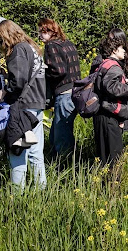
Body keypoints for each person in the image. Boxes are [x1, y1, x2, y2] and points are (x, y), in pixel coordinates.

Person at [0, 19, 47, 191]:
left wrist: (4, 91)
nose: (0, 43)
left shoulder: (18, 50)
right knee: (36, 152)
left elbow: (19, 82)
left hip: (23, 105)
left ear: (6, 35)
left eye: (0, 39)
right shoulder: (31, 47)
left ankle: (17, 194)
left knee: (17, 151)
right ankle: (41, 191)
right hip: (37, 103)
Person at [93, 35, 128, 166]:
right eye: (122, 48)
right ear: (114, 50)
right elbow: (112, 89)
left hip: (102, 113)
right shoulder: (114, 66)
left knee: (104, 155)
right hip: (109, 115)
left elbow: (107, 84)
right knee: (114, 157)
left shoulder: (104, 63)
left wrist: (126, 81)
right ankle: (113, 178)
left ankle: (103, 177)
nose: (124, 51)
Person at [38, 18, 81, 156]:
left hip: (64, 94)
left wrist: (42, 72)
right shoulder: (67, 43)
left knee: (62, 136)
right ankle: (56, 159)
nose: (40, 35)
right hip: (75, 92)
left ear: (51, 31)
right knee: (57, 132)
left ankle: (65, 162)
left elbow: (59, 71)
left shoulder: (51, 46)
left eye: (43, 32)